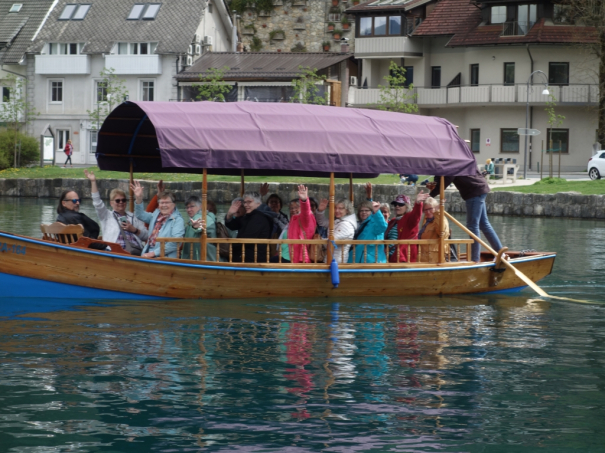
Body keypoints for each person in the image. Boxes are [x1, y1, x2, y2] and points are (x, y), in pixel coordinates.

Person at [429, 172, 504, 262]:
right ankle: (500, 252)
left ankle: (475, 260)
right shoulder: (455, 159)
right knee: (483, 223)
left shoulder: (452, 162)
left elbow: (446, 179)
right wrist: (435, 184)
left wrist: (430, 195)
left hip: (474, 191)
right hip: (479, 187)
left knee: (473, 226)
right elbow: (441, 174)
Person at [84, 170, 147, 254]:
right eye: (117, 200)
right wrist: (93, 182)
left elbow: (146, 236)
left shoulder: (133, 217)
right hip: (114, 252)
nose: (121, 202)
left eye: (123, 200)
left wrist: (134, 230)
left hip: (134, 252)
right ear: (111, 203)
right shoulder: (106, 215)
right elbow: (97, 202)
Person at [132, 181, 185, 259]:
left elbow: (176, 243)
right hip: (148, 254)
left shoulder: (178, 220)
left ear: (173, 205)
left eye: (167, 202)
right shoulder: (156, 214)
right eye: (161, 203)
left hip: (165, 258)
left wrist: (154, 253)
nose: (164, 205)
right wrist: (138, 198)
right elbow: (140, 215)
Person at [225, 191, 277, 263]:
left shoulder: (259, 217)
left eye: (249, 202)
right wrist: (229, 214)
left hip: (252, 259)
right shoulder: (250, 215)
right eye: (245, 202)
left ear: (258, 203)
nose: (246, 205)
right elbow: (233, 226)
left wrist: (228, 247)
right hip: (246, 256)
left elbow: (246, 238)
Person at [271, 185, 317, 263]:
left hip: (294, 258)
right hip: (283, 256)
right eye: (291, 208)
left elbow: (306, 213)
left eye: (296, 207)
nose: (293, 210)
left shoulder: (306, 219)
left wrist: (304, 201)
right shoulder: (292, 221)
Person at [385, 192, 429, 263]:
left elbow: (416, 216)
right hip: (389, 257)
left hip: (403, 258)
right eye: (395, 204)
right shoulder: (393, 221)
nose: (397, 206)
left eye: (401, 204)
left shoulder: (409, 218)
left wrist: (418, 203)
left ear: (407, 207)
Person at [315, 198, 357, 263]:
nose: (337, 210)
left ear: (347, 210)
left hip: (337, 261)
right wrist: (320, 211)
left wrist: (318, 240)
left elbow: (331, 242)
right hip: (332, 258)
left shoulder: (346, 224)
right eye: (335, 208)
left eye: (341, 208)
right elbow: (322, 222)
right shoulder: (338, 220)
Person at [181, 196, 218, 262]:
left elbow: (202, 225)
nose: (189, 210)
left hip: (204, 259)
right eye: (187, 207)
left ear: (200, 206)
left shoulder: (204, 216)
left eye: (192, 206)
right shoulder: (193, 219)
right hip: (196, 257)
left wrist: (195, 227)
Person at [418, 197, 450, 263]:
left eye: (430, 209)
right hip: (423, 257)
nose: (428, 212)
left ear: (435, 208)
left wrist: (437, 212)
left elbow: (442, 233)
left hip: (434, 258)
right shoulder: (426, 221)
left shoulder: (441, 219)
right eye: (425, 210)